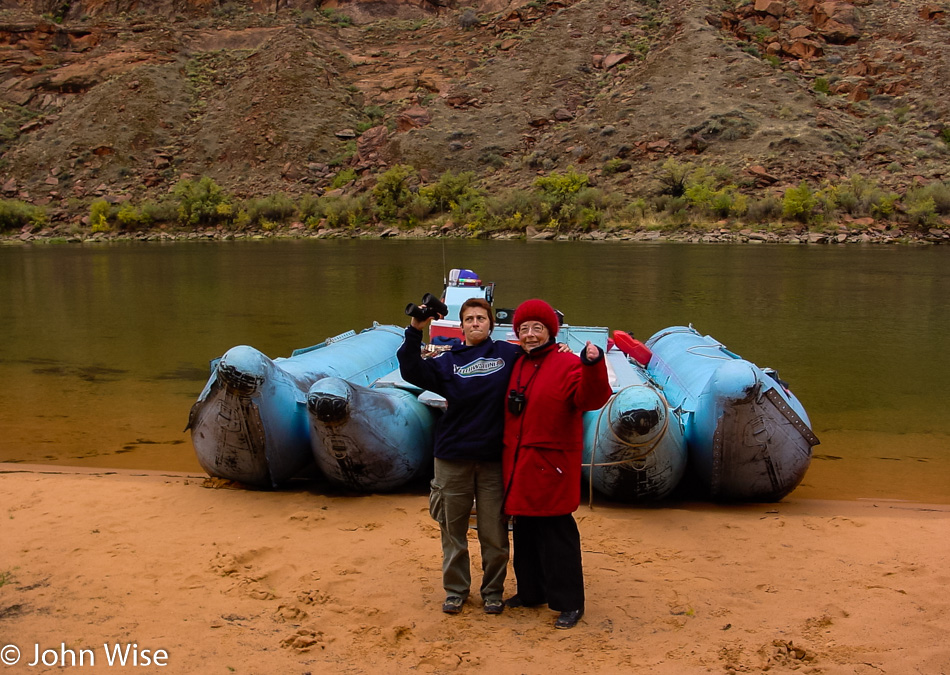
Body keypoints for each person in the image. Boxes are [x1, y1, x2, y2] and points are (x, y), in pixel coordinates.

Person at [396, 296, 517, 616]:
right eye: (469, 319)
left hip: (493, 460)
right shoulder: (447, 361)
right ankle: (455, 591)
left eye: (481, 318)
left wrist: (562, 349)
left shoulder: (510, 354)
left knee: (495, 533)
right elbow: (410, 369)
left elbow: (542, 359)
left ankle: (493, 591)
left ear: (491, 323)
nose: (475, 323)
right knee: (453, 530)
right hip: (452, 457)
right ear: (461, 326)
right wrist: (415, 328)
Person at [501, 298, 612, 630]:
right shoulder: (517, 363)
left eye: (538, 328)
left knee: (557, 534)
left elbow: (591, 398)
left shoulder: (567, 364)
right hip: (520, 461)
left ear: (551, 331)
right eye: (524, 329)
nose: (531, 335)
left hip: (552, 464)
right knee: (524, 532)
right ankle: (531, 591)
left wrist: (593, 364)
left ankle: (569, 603)